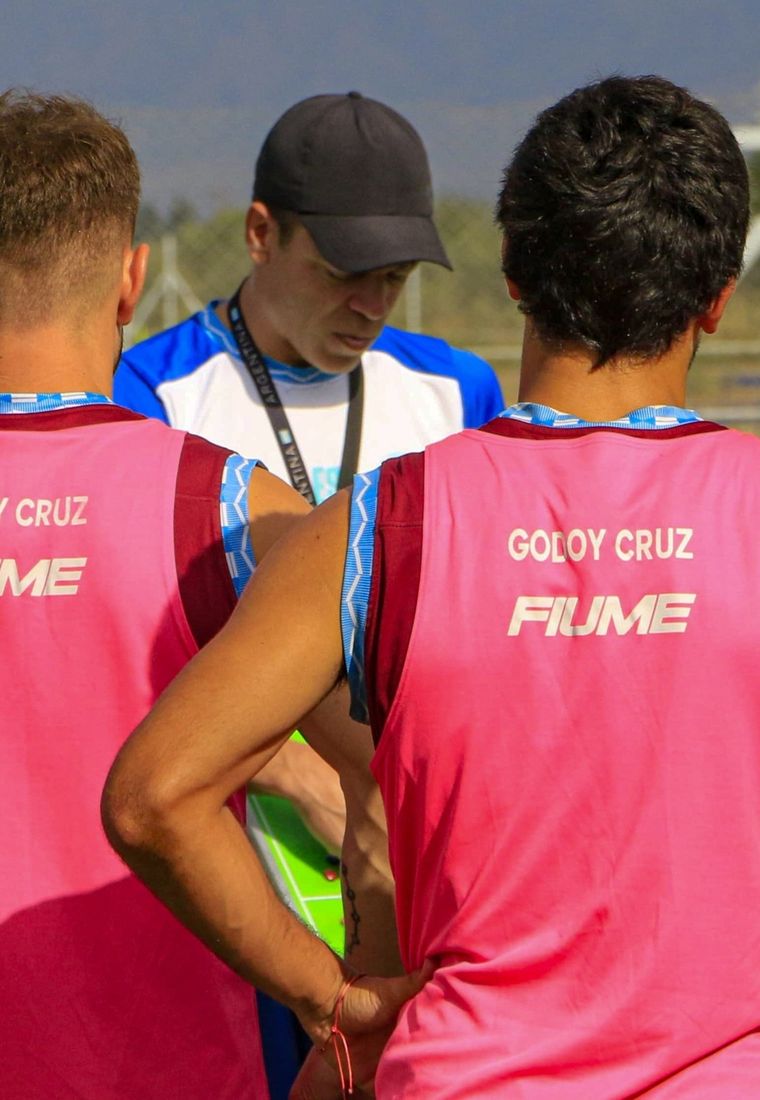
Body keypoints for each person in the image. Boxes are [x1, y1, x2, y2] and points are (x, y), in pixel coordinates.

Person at [103, 73, 760, 1097]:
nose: (367, 301)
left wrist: (339, 1005)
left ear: (508, 267)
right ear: (719, 299)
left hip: (450, 1054)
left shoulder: (377, 516)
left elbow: (151, 794)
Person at [0, 89, 390, 1100]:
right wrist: (336, 998)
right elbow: (395, 776)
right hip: (167, 1068)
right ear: (132, 280)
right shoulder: (218, 505)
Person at [113, 90, 504, 503]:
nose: (372, 307)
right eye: (341, 273)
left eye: (396, 275)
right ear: (261, 234)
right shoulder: (148, 393)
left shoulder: (460, 391)